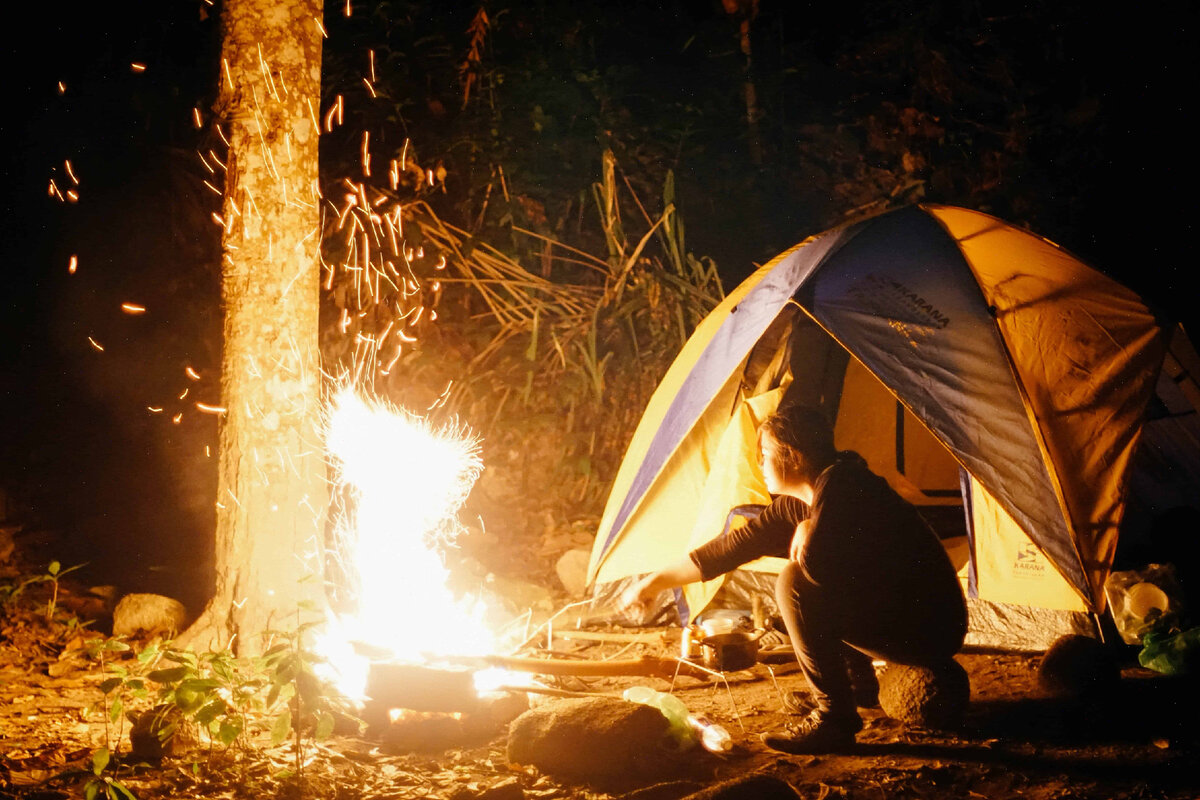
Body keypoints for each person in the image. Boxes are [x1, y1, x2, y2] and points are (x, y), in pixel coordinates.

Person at [620, 404, 967, 754]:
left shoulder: (844, 485)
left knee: (794, 584)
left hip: (930, 629)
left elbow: (819, 568)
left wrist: (809, 526)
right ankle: (856, 685)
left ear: (793, 456)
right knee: (805, 586)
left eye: (765, 454)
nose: (760, 464)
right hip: (901, 618)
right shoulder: (806, 499)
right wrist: (652, 583)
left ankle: (834, 720)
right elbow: (729, 549)